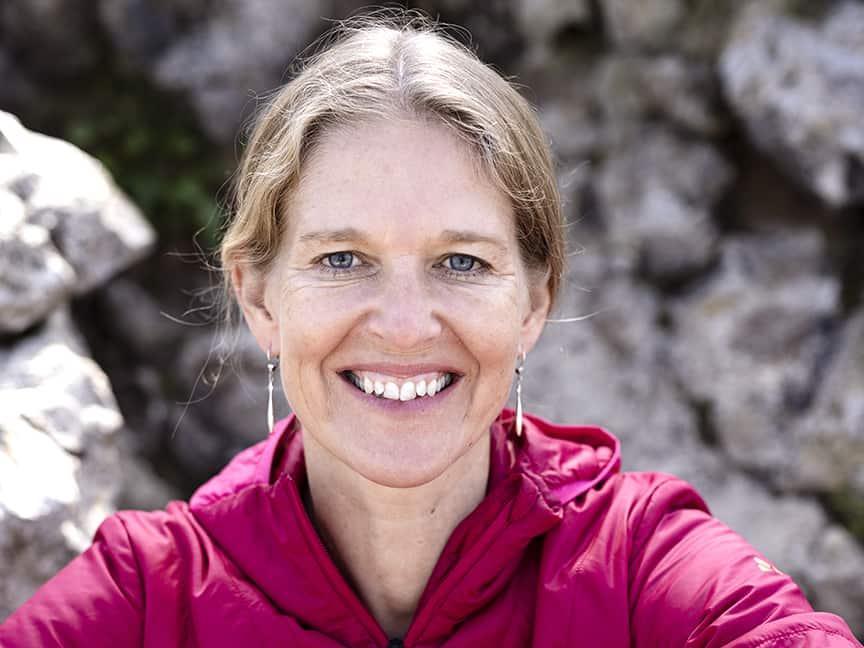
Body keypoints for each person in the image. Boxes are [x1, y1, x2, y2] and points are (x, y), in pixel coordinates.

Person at [1, 11, 861, 648]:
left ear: (534, 304)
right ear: (258, 299)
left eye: (462, 262)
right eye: (342, 259)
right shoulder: (150, 597)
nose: (406, 327)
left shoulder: (638, 565)